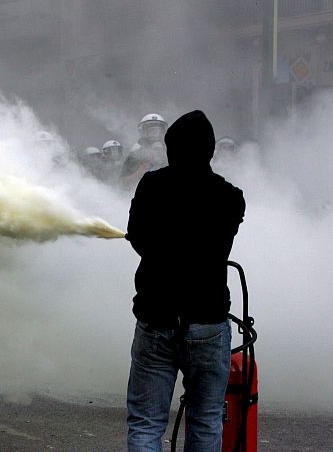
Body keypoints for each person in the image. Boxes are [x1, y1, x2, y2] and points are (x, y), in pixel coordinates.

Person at [125, 110, 245, 451]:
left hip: (156, 318)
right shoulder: (230, 196)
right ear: (210, 151)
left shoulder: (152, 185)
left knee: (147, 423)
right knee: (206, 420)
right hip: (208, 322)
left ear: (170, 149)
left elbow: (137, 238)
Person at [120, 114, 168, 190]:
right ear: (143, 131)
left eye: (158, 130)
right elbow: (122, 183)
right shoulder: (135, 155)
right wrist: (140, 172)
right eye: (151, 130)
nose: (155, 134)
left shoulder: (172, 150)